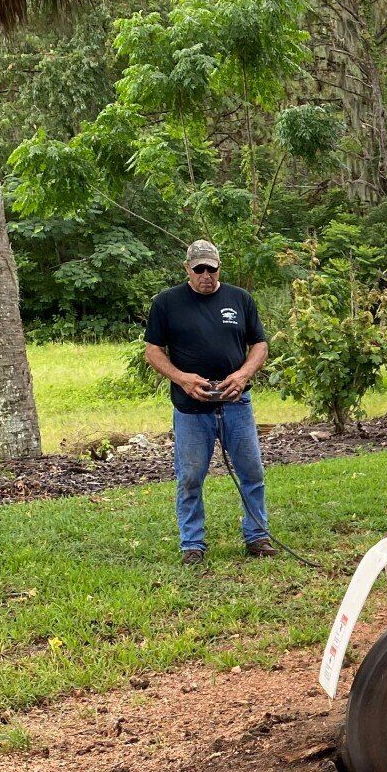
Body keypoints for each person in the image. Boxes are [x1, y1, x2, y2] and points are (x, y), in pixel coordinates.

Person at [143, 239, 275, 565]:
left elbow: (259, 344)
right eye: (199, 269)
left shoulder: (239, 299)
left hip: (236, 404)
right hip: (191, 410)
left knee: (251, 472)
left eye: (211, 269)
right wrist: (183, 379)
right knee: (190, 477)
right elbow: (153, 351)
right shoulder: (166, 303)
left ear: (219, 267)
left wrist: (242, 375)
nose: (206, 275)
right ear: (187, 268)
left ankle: (257, 537)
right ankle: (192, 544)